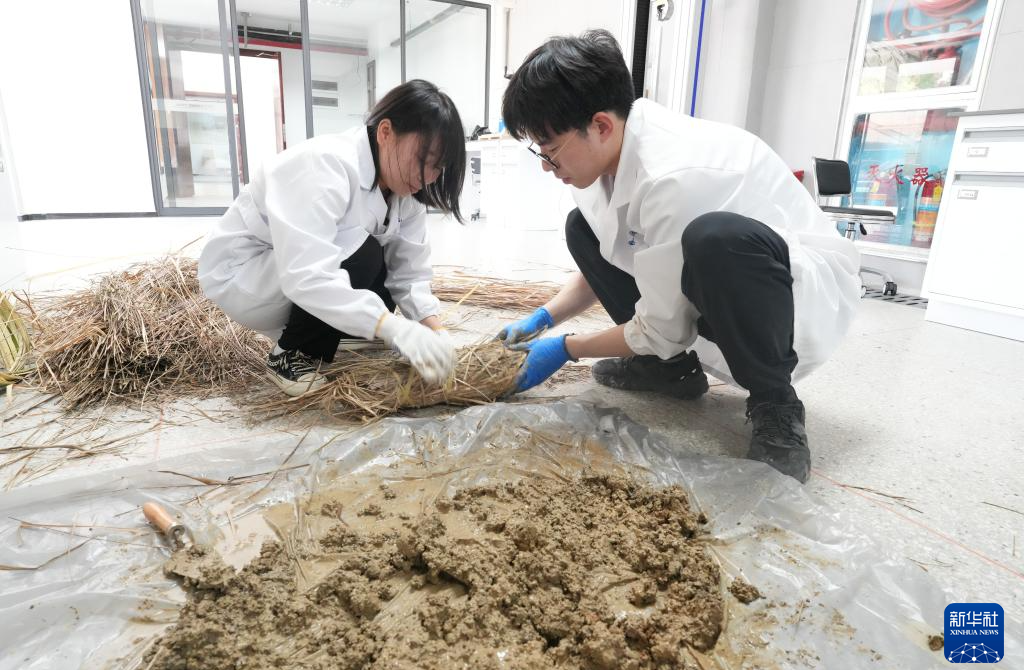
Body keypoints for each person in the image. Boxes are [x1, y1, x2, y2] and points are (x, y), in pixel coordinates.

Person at [498, 31, 861, 483]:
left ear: (601, 126)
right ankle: (667, 371)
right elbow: (615, 251)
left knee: (715, 239)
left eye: (550, 150)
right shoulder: (604, 163)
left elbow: (662, 327)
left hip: (785, 295)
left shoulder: (674, 177)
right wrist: (543, 318)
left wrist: (568, 348)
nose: (545, 165)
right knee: (581, 228)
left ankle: (775, 402)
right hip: (709, 274)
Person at [199, 80, 465, 396]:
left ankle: (342, 332)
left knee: (381, 256)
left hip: (292, 271)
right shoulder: (325, 165)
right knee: (363, 253)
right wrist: (390, 326)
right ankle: (290, 354)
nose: (429, 176)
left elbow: (410, 272)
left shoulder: (405, 190)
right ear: (385, 132)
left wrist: (435, 330)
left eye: (438, 167)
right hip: (245, 272)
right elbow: (307, 273)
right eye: (425, 158)